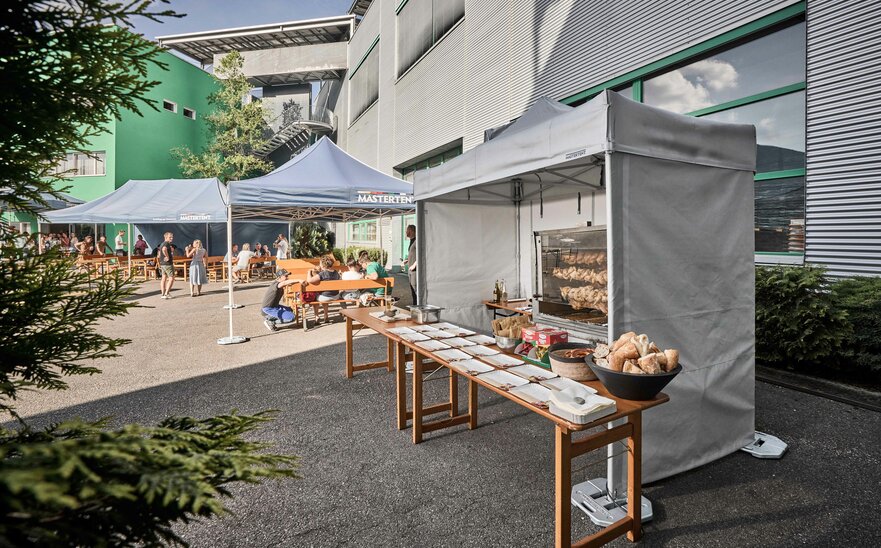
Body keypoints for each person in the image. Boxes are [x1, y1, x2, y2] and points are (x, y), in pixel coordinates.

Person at [305, 255, 341, 323]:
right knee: (324, 295)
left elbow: (309, 280)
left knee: (315, 297)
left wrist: (309, 272)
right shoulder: (336, 272)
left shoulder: (322, 274)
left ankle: (316, 316)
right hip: (335, 296)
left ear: (322, 265)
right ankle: (326, 315)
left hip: (325, 297)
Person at [403, 224, 418, 305]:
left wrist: (414, 265)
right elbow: (413, 254)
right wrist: (407, 261)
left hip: (415, 271)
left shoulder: (417, 241)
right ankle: (415, 307)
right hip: (410, 270)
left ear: (411, 231)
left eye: (407, 230)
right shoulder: (411, 241)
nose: (406, 232)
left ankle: (418, 307)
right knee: (412, 290)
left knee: (416, 290)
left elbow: (421, 255)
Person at [158, 231, 175, 299]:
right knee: (171, 278)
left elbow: (159, 253)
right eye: (170, 237)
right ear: (166, 237)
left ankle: (163, 293)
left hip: (162, 263)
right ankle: (166, 294)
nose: (171, 238)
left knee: (163, 278)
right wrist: (167, 256)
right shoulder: (166, 244)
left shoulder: (162, 243)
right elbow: (164, 249)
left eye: (172, 237)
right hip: (168, 264)